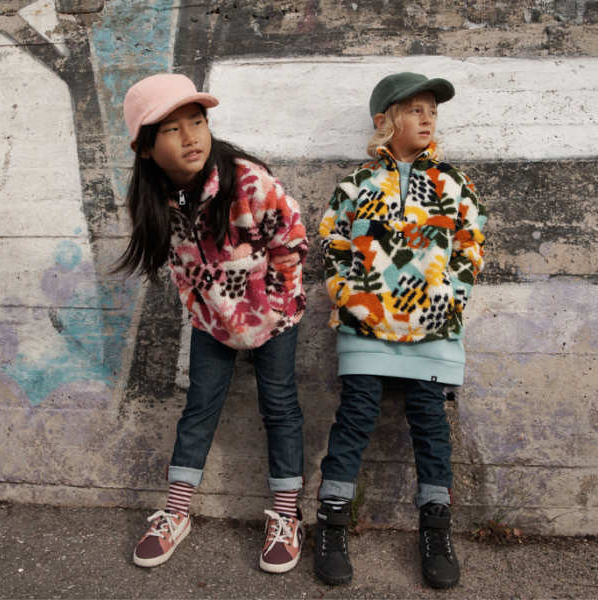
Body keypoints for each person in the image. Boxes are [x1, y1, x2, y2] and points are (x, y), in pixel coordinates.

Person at [115, 74, 309, 573]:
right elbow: (179, 263)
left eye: (197, 122)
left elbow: (291, 240)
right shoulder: (159, 199)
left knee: (280, 407)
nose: (191, 137)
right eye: (172, 129)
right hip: (211, 322)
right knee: (199, 406)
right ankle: (176, 512)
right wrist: (200, 306)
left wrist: (274, 307)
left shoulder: (247, 182)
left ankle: (287, 516)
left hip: (273, 317)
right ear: (145, 148)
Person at [315, 72, 487, 588]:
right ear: (384, 121)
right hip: (366, 325)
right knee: (354, 420)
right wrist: (348, 295)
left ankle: (436, 531)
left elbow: (471, 244)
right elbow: (333, 240)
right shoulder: (357, 183)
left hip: (433, 328)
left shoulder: (454, 183)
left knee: (431, 427)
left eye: (432, 110)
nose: (427, 118)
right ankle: (331, 527)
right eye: (414, 109)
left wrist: (451, 297)